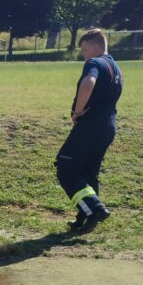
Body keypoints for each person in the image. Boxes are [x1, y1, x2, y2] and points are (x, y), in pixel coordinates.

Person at [55, 28, 123, 233]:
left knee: (65, 168)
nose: (83, 54)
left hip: (90, 126)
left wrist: (77, 111)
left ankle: (95, 209)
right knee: (88, 173)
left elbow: (88, 84)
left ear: (95, 47)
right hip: (108, 127)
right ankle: (85, 216)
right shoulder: (115, 68)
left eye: (84, 49)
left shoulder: (94, 63)